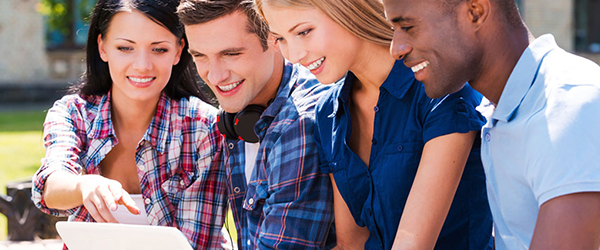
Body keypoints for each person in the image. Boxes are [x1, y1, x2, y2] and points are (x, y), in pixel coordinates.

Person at [257, 0, 493, 249]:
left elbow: (412, 244)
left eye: (304, 32)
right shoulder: (328, 111)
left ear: (348, 9)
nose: (293, 56)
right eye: (280, 39)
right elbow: (352, 243)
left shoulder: (440, 88)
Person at [385, 0, 600, 249]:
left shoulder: (569, 104)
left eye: (408, 27)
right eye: (394, 30)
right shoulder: (498, 111)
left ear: (475, 12)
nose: (396, 49)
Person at [31, 0, 230, 249]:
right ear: (102, 47)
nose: (142, 65)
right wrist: (83, 184)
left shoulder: (204, 127)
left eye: (159, 49)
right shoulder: (74, 113)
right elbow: (50, 186)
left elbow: (198, 242)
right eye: (125, 48)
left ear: (179, 50)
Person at [176, 0, 335, 249]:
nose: (216, 77)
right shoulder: (240, 110)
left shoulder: (299, 124)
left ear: (275, 39)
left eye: (231, 54)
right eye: (200, 56)